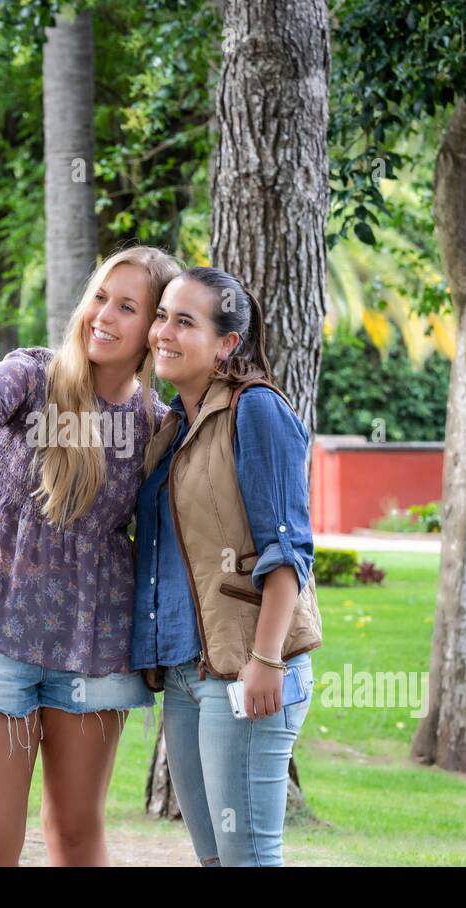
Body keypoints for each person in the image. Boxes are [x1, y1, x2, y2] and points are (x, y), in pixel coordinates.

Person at [0, 245, 184, 866]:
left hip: (95, 645)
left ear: (154, 328)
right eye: (99, 298)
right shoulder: (32, 375)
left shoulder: (158, 424)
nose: (103, 316)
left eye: (127, 307)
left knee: (77, 834)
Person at [131, 266, 322, 866]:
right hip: (188, 673)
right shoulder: (174, 424)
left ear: (227, 344)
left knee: (249, 858)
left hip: (247, 670)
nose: (163, 331)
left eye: (184, 321)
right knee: (214, 858)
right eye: (161, 316)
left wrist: (265, 661)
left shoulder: (256, 410)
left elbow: (287, 548)